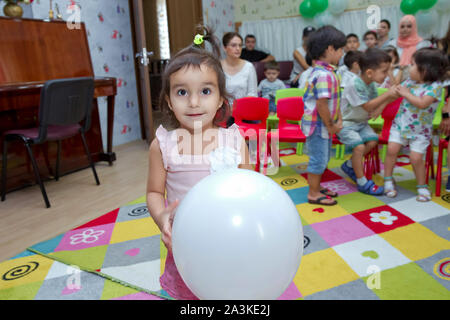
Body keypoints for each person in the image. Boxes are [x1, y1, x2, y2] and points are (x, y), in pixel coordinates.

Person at [146, 26, 253, 300]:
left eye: (205, 91)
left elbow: (251, 189)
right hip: (186, 245)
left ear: (220, 100)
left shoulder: (234, 139)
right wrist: (161, 218)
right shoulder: (163, 145)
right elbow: (155, 192)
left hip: (231, 240)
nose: (193, 102)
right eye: (182, 93)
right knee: (191, 294)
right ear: (169, 101)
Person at [383, 48, 449, 202]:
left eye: (412, 65)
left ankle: (422, 185)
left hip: (420, 131)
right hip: (400, 126)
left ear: (425, 70)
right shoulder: (409, 82)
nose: (409, 68)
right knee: (392, 149)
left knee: (416, 157)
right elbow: (394, 92)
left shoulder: (435, 87)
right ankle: (387, 179)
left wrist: (406, 93)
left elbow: (422, 104)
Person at [338, 48, 398, 195]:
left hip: (361, 123)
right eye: (384, 72)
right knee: (358, 147)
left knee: (372, 141)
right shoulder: (354, 84)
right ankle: (362, 182)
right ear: (370, 72)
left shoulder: (371, 84)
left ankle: (350, 164)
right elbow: (368, 105)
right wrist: (388, 95)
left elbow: (375, 105)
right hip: (346, 123)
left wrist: (384, 103)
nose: (386, 76)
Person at [301, 25, 346, 206]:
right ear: (330, 49)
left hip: (324, 125)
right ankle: (313, 193)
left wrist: (338, 119)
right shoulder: (323, 75)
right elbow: (321, 104)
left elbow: (334, 100)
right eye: (341, 49)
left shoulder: (329, 72)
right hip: (318, 126)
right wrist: (331, 125)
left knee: (324, 158)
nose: (342, 53)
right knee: (318, 159)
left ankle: (317, 187)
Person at [221, 32, 258, 126]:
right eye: (233, 45)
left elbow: (253, 94)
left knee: (252, 135)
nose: (238, 49)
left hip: (246, 113)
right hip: (224, 113)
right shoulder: (218, 67)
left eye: (240, 45)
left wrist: (238, 109)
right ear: (224, 48)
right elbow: (216, 93)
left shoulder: (249, 67)